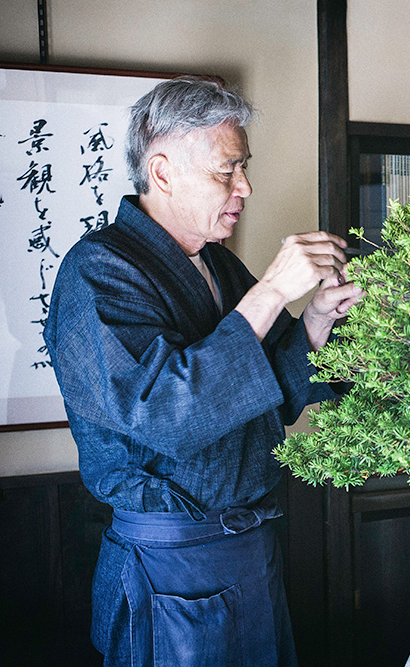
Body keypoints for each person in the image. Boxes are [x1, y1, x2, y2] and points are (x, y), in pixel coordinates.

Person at [44, 76, 362, 666]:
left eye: (244, 168)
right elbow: (166, 415)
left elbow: (271, 394)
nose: (245, 187)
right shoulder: (97, 273)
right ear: (161, 172)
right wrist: (268, 293)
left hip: (250, 541)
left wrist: (315, 319)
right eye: (227, 170)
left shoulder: (216, 263)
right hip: (169, 563)